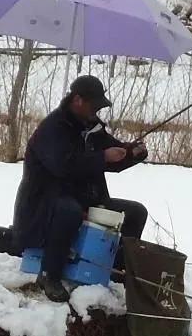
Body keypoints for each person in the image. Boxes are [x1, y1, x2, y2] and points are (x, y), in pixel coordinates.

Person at [13, 75, 148, 302]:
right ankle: (49, 275)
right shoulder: (52, 129)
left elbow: (112, 156)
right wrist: (102, 156)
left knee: (135, 213)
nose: (97, 111)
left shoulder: (92, 128)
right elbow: (63, 166)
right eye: (94, 105)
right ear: (77, 100)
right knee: (69, 211)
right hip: (44, 203)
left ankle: (116, 268)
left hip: (85, 198)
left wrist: (132, 153)